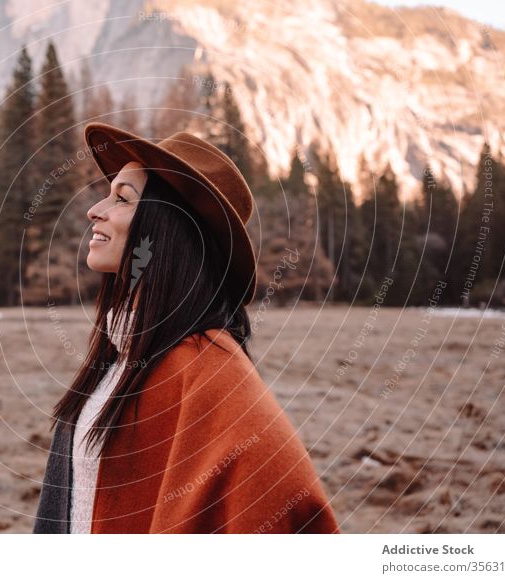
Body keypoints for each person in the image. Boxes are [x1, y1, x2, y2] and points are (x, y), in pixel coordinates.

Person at [33, 122, 339, 534]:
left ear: (166, 231)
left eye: (121, 198)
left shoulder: (207, 367)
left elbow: (284, 497)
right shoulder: (122, 350)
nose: (95, 210)